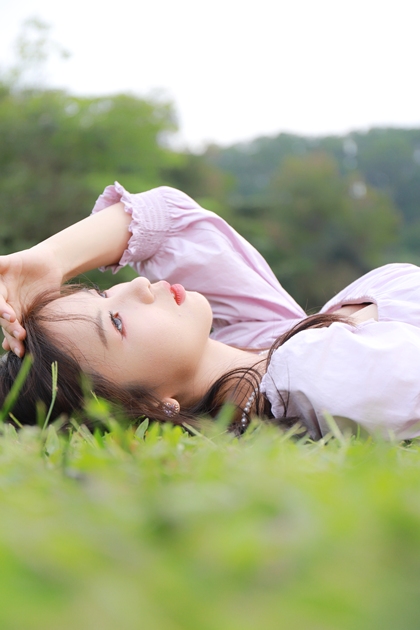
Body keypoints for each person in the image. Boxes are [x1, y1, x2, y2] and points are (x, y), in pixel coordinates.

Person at [1, 184, 420, 439]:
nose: (136, 286)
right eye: (115, 321)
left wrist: (51, 259)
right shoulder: (309, 379)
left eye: (102, 292)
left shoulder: (258, 339)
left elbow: (168, 220)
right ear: (151, 405)